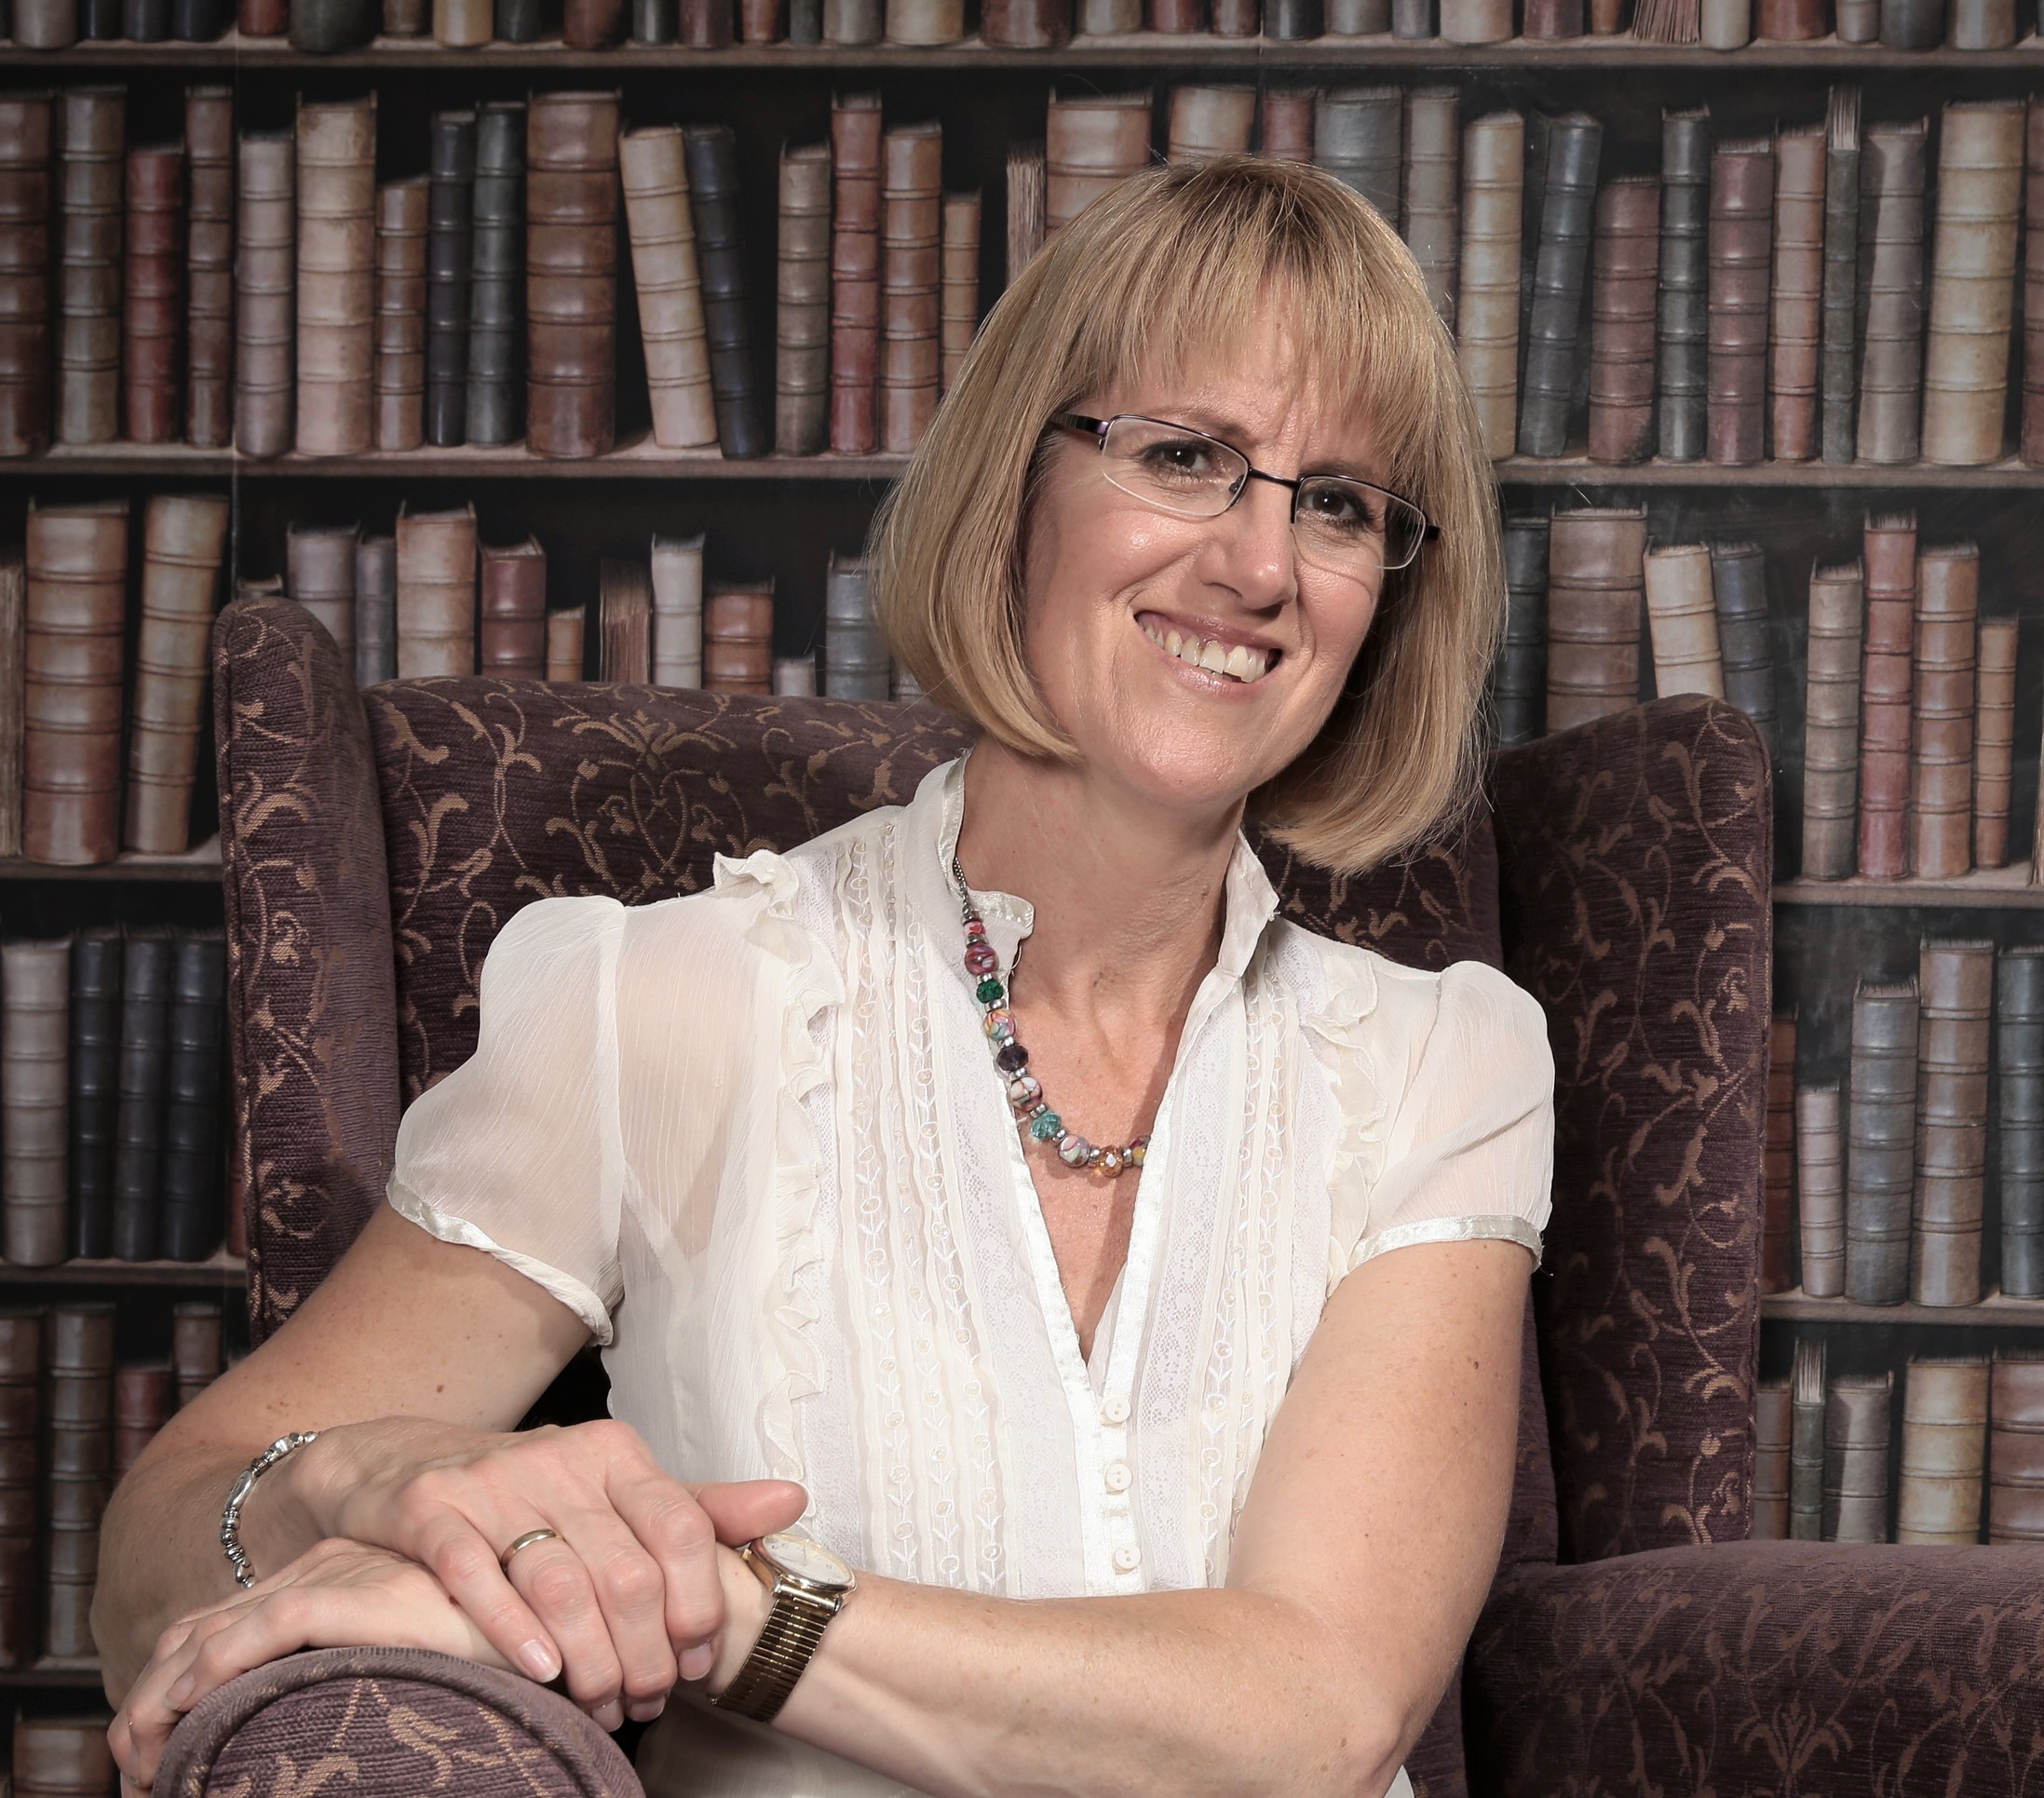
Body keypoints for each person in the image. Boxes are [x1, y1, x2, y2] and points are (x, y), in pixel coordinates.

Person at [95, 152, 1553, 1798]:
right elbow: (154, 1558)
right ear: (1016, 486)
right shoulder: (669, 1004)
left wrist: (711, 1609)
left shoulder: (1447, 1067)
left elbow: (1318, 1714)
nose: (1263, 566)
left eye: (1339, 502)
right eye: (1185, 456)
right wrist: (354, 1489)